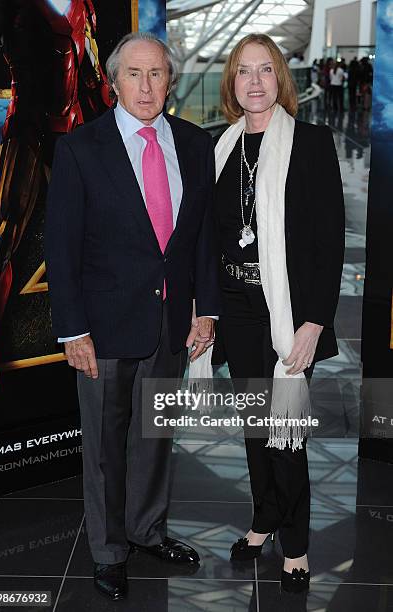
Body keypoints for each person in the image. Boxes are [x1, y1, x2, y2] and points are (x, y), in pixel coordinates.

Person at [45, 32, 221, 601]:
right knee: (103, 447)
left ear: (171, 81)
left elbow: (200, 241)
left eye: (157, 74)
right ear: (112, 82)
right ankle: (109, 549)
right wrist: (73, 329)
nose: (146, 87)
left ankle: (147, 531)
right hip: (104, 329)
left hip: (170, 324)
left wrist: (206, 310)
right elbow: (62, 247)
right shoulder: (80, 148)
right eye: (134, 74)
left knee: (155, 435)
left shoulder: (195, 145)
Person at [212, 33, 344, 592]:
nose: (257, 82)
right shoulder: (218, 148)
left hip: (288, 310)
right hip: (237, 308)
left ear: (281, 79)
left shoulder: (311, 143)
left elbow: (329, 240)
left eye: (267, 70)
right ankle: (264, 519)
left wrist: (314, 322)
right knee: (254, 428)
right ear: (232, 83)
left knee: (284, 433)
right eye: (245, 71)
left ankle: (296, 545)